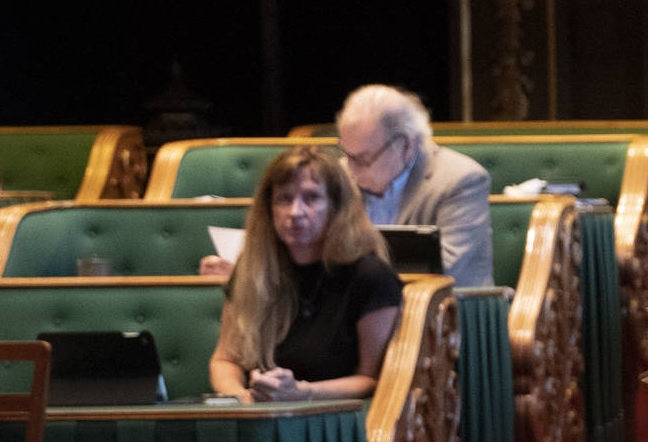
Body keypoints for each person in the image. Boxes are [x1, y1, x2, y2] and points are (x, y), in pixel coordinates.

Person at [209, 146, 403, 403]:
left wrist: (301, 393)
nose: (295, 212)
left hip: (332, 418)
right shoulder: (252, 271)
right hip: (258, 417)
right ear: (269, 209)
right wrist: (240, 397)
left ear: (336, 206)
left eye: (311, 198)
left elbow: (372, 379)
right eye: (284, 199)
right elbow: (225, 359)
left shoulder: (370, 276)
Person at [333, 84, 494, 287]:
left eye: (364, 158)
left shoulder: (461, 180)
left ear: (406, 145)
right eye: (347, 153)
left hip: (444, 310)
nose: (351, 168)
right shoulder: (340, 175)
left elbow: (446, 270)